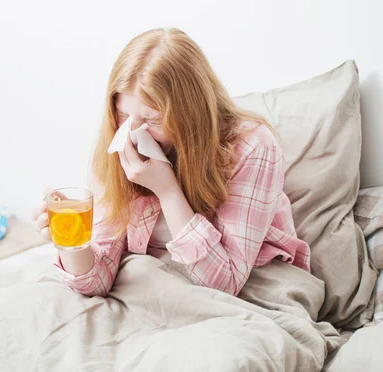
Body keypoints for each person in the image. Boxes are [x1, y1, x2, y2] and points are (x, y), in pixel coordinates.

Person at [32, 28, 310, 297]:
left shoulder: (252, 146)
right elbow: (98, 282)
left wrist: (166, 189)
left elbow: (227, 284)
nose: (132, 130)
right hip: (159, 283)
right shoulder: (118, 145)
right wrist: (73, 243)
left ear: (191, 112)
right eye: (121, 114)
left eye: (152, 119)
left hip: (250, 285)